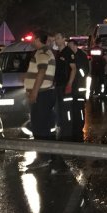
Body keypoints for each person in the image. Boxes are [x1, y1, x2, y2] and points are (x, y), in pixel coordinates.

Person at [24, 30, 56, 169]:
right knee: (41, 126)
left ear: (37, 39)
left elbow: (42, 71)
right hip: (43, 94)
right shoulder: (44, 52)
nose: (30, 41)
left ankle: (43, 158)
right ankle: (45, 157)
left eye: (32, 39)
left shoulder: (42, 52)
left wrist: (34, 92)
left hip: (41, 94)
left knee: (40, 128)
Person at [66, 38, 89, 140]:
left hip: (80, 86)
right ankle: (73, 125)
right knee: (72, 106)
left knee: (79, 107)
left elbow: (85, 71)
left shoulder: (82, 56)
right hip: (73, 85)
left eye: (71, 46)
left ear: (75, 45)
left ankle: (80, 126)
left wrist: (78, 72)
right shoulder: (71, 56)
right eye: (68, 46)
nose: (69, 48)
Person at [53, 33, 73, 140]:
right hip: (58, 85)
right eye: (55, 38)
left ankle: (68, 132)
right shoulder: (58, 53)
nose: (56, 40)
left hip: (65, 85)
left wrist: (69, 84)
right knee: (59, 109)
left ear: (64, 39)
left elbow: (73, 69)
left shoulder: (68, 52)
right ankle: (61, 130)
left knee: (66, 109)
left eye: (58, 38)